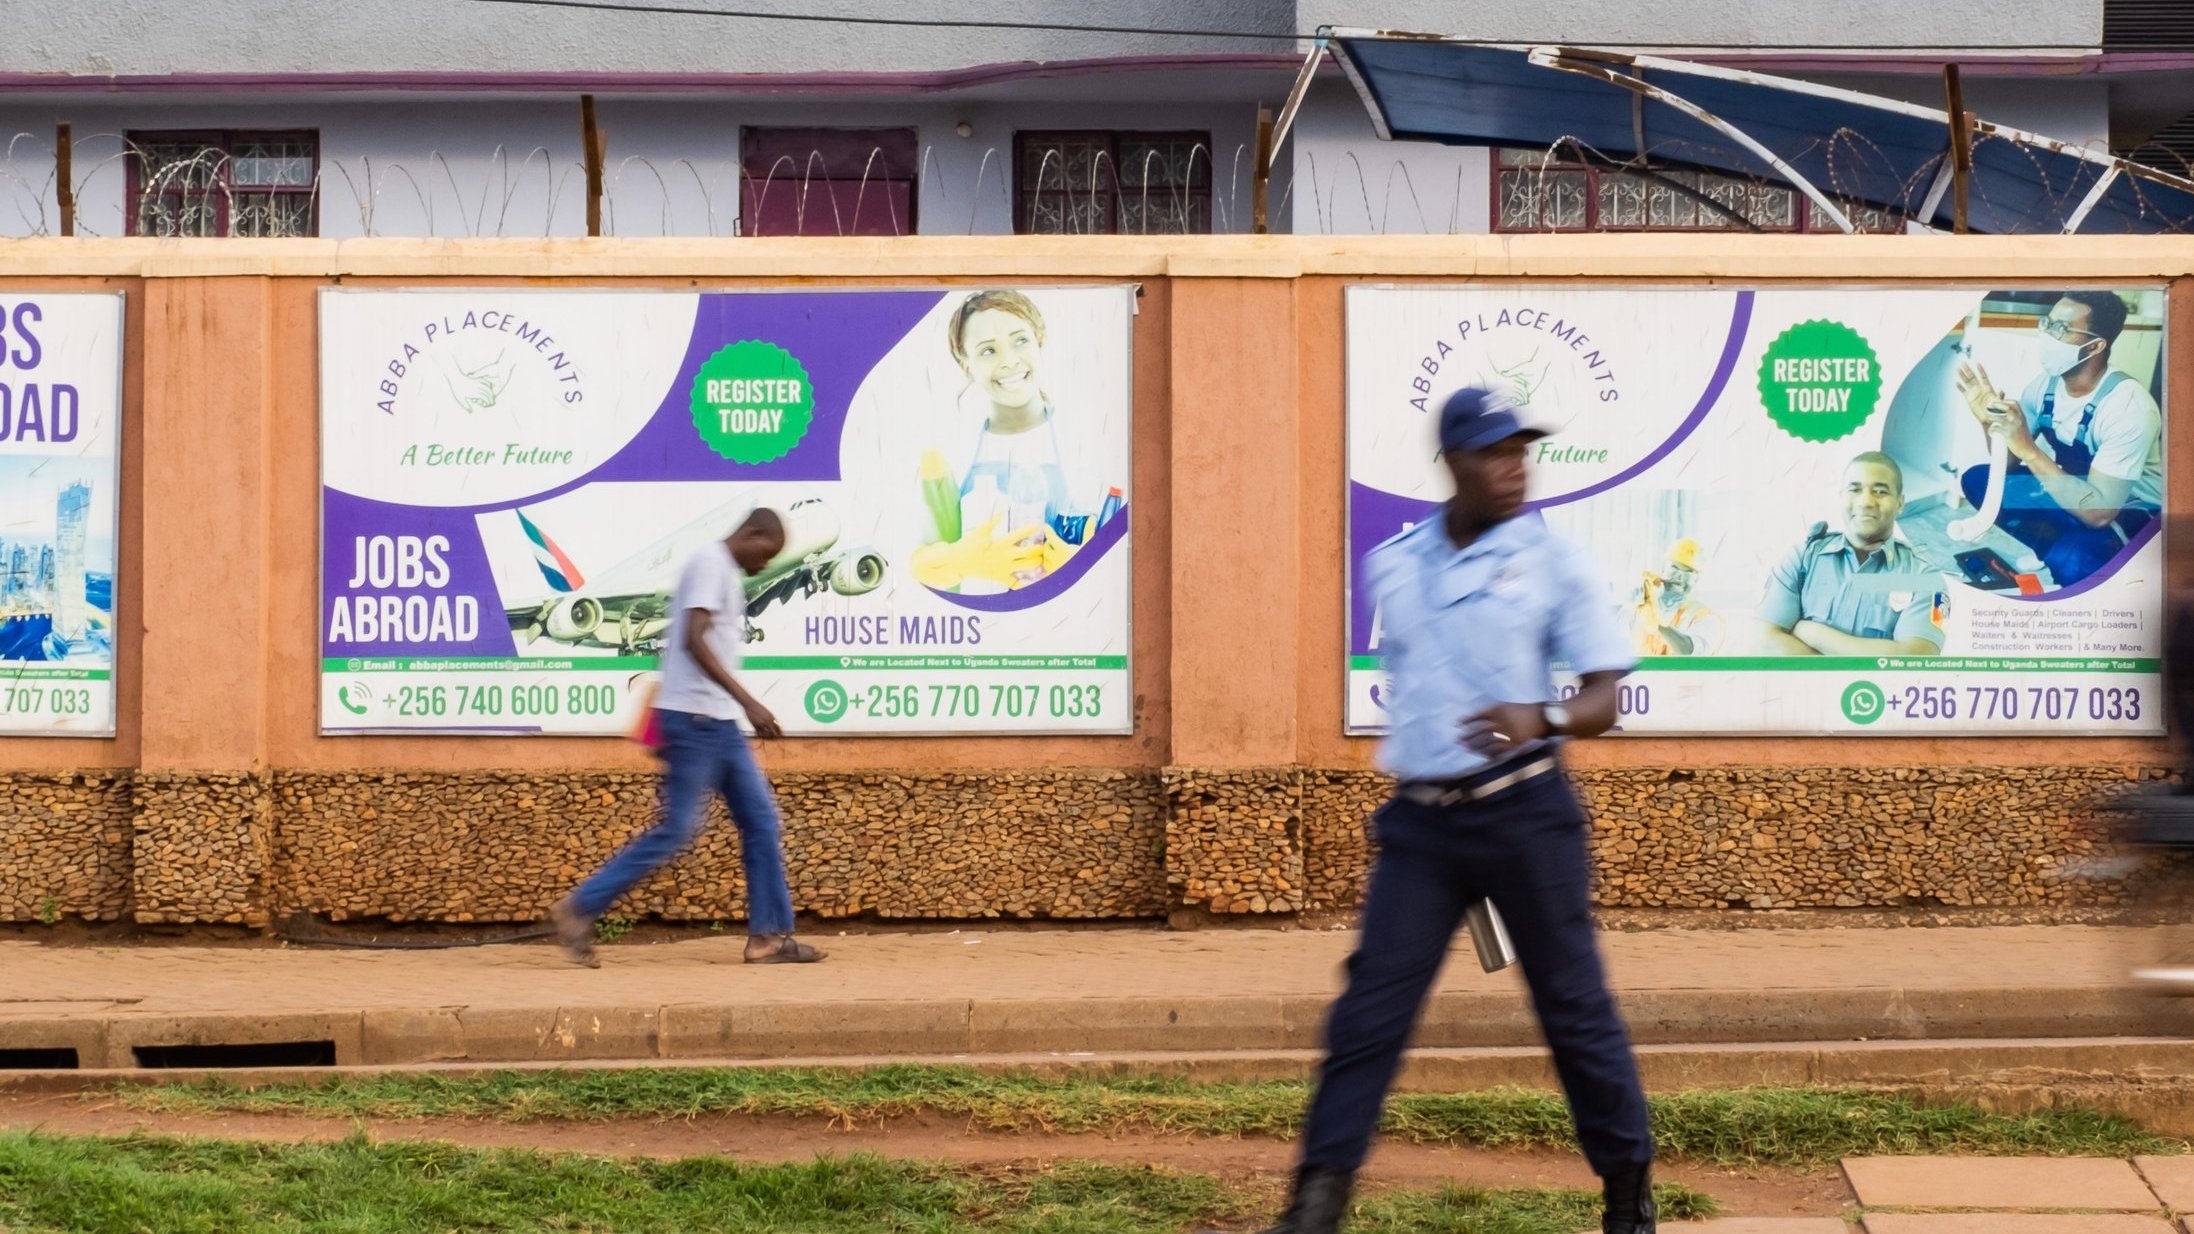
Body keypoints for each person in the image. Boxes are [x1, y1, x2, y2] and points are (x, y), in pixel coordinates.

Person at [1242, 388, 1656, 1234]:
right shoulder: (1394, 563)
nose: (1515, 467)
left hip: (1528, 816)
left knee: (1572, 1010)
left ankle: (1627, 1193)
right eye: (1495, 453)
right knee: (1368, 1013)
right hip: (1424, 827)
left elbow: (1607, 697)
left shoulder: (1554, 564)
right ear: (1454, 463)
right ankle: (1314, 1206)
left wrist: (1538, 716)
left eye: (1523, 450)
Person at [548, 507, 823, 968]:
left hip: (718, 725)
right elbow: (694, 640)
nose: (766, 565)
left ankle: (769, 939)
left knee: (761, 822)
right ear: (752, 535)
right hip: (694, 723)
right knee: (677, 829)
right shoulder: (708, 565)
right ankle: (579, 908)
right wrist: (750, 702)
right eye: (767, 554)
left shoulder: (728, 575)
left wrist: (735, 708)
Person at [1954, 291, 2161, 587]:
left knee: (2072, 561)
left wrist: (2028, 448)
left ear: (2096, 345)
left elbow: (2099, 513)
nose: (2047, 336)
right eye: (2047, 324)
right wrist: (1991, 424)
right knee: (1980, 480)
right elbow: (2009, 465)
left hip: (2128, 511)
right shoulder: (2044, 387)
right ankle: (2051, 547)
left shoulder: (2128, 407)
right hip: (2073, 491)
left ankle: (2098, 560)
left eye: (2061, 329)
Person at [911, 290, 1096, 591]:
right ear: (966, 364)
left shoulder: (1083, 441)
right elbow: (917, 563)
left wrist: (1081, 566)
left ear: (1040, 342)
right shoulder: (951, 452)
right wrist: (962, 562)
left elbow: (1119, 543)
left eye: (1020, 340)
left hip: (1064, 624)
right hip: (984, 624)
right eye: (988, 351)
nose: (1009, 361)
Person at [1757, 452, 1946, 657]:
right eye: (1854, 489)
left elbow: (1916, 659)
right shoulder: (1803, 558)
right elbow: (1762, 641)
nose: (1865, 502)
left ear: (1900, 503)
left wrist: (1813, 633)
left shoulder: (1926, 579)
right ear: (1841, 496)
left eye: (1880, 491)